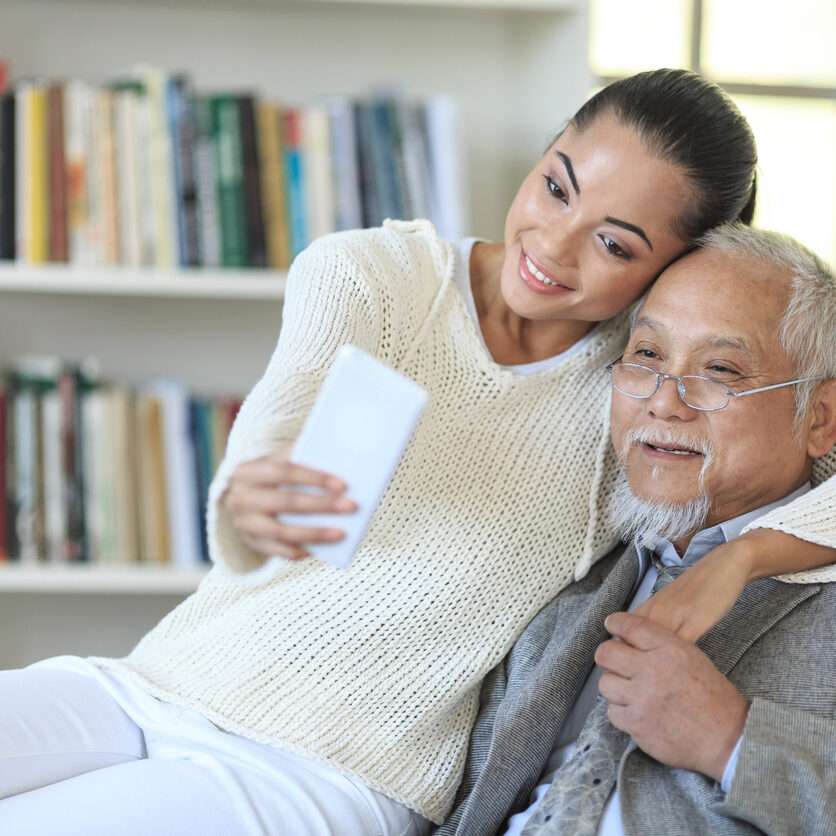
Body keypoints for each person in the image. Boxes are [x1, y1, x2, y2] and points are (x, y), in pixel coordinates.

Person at [0, 70, 833, 835]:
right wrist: (252, 494)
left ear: (668, 273)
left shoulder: (631, 394)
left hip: (331, 771)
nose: (551, 244)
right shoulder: (375, 275)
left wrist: (746, 557)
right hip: (162, 680)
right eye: (555, 186)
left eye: (614, 244)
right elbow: (273, 432)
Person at [436, 224, 836, 836]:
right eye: (647, 355)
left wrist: (730, 738)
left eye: (721, 369)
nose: (664, 401)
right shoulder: (562, 578)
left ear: (821, 419)